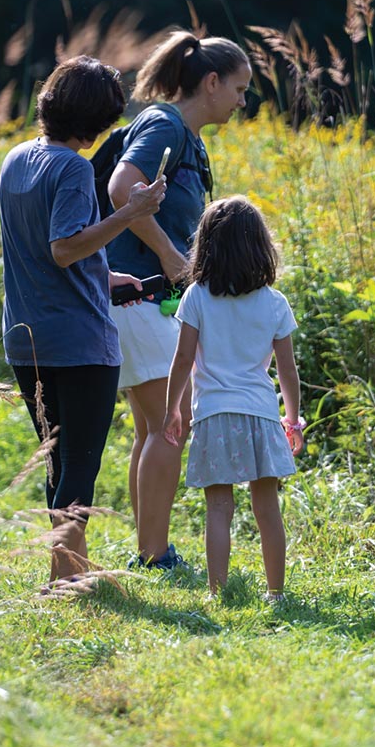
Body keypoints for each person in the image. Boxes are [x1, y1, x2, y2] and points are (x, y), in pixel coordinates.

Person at [0, 55, 166, 584]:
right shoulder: (72, 167)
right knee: (79, 462)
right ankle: (64, 575)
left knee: (57, 458)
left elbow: (50, 251)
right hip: (80, 343)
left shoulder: (16, 158)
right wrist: (130, 214)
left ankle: (68, 565)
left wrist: (104, 274)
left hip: (26, 338)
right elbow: (64, 248)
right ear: (95, 119)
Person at [106, 30, 252, 569]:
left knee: (152, 426)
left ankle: (147, 548)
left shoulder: (189, 139)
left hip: (148, 302)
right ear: (211, 82)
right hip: (135, 298)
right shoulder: (164, 124)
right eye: (239, 89)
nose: (242, 102)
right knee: (172, 422)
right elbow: (122, 190)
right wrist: (170, 255)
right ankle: (153, 554)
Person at [162, 196, 305, 600]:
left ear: (206, 247)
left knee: (219, 509)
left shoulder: (197, 297)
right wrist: (292, 422)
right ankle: (275, 592)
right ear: (261, 247)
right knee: (267, 510)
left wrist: (172, 408)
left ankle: (217, 591)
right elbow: (287, 371)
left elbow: (183, 358)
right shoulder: (274, 303)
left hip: (213, 415)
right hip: (261, 414)